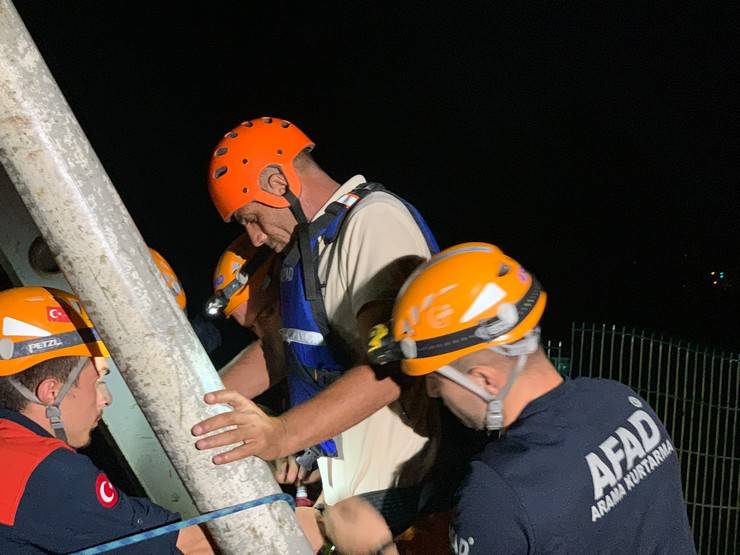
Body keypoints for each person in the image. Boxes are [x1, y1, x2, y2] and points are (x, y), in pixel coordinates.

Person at [329, 241, 696, 553]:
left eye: (436, 378)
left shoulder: (499, 489)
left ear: (485, 380)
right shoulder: (622, 402)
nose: (432, 391)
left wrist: (376, 546)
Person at [193, 116, 440, 506]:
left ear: (279, 182)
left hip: (381, 488)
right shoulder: (313, 244)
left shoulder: (372, 221)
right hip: (338, 485)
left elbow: (395, 365)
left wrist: (282, 433)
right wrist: (196, 405)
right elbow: (284, 349)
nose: (254, 236)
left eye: (252, 218)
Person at [0, 286, 212, 554]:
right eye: (97, 380)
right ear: (52, 392)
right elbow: (186, 546)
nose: (105, 398)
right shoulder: (46, 472)